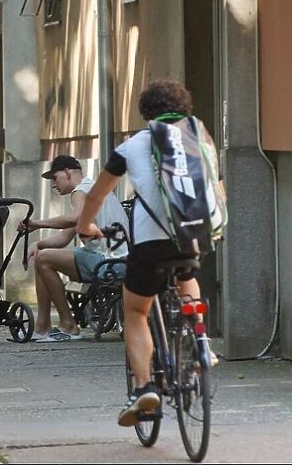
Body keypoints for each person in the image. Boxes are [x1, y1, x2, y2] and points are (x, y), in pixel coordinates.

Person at [75, 78, 220, 426]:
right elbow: (218, 189)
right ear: (184, 107)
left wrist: (85, 226)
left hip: (151, 243)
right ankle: (200, 339)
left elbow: (96, 195)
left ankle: (144, 390)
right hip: (193, 236)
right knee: (188, 277)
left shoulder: (134, 145)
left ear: (145, 113)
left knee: (136, 312)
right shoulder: (200, 137)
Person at [19, 155, 129, 342]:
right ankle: (42, 326)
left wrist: (36, 223)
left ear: (67, 173)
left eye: (55, 178)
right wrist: (39, 244)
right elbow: (65, 236)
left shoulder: (80, 191)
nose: (53, 185)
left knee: (44, 259)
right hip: (118, 258)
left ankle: (68, 325)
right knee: (42, 257)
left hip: (110, 261)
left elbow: (74, 218)